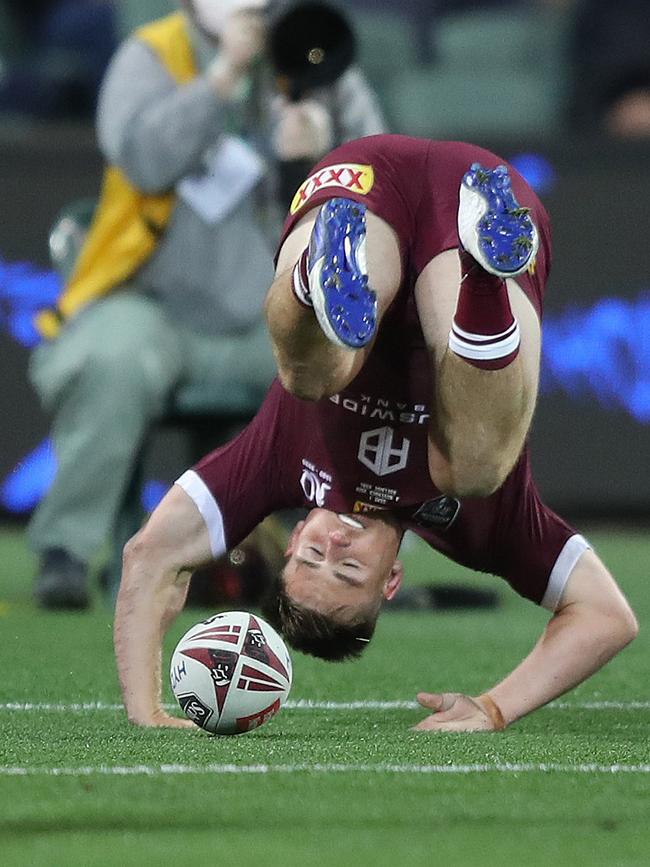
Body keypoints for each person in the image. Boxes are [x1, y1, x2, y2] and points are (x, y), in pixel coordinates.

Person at [114, 134, 637, 732]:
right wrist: (495, 708)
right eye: (349, 571)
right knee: (474, 472)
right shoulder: (477, 528)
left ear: (295, 535)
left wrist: (146, 712)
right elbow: (606, 616)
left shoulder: (278, 465)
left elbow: (149, 554)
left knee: (313, 377)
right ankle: (485, 276)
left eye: (314, 554)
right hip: (477, 200)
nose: (335, 547)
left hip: (362, 188)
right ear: (392, 579)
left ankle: (318, 276)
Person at [29, 0, 386, 609]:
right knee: (110, 356)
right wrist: (220, 78)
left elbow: (386, 183)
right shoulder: (153, 53)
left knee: (368, 361)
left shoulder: (314, 44)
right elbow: (140, 159)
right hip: (152, 305)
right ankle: (66, 549)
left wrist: (330, 157)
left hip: (281, 320)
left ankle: (360, 558)